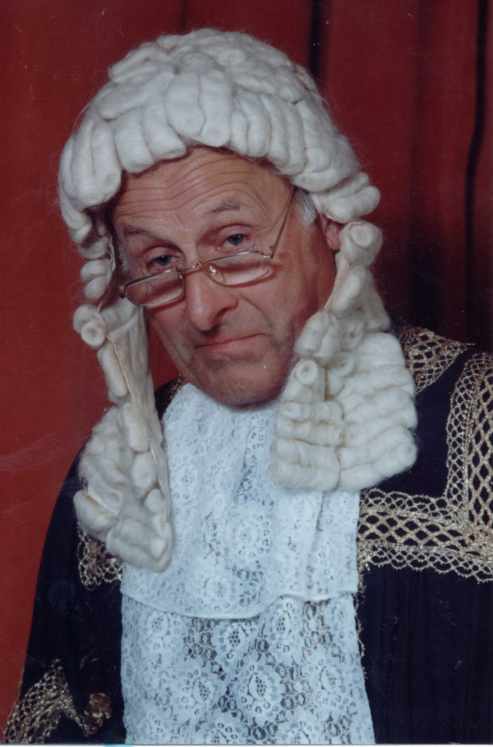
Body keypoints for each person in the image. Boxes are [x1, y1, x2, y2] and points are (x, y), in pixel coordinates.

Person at [5, 29, 492, 744]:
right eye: (158, 262)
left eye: (234, 243)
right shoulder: (120, 473)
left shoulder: (478, 423)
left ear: (329, 220)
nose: (201, 309)